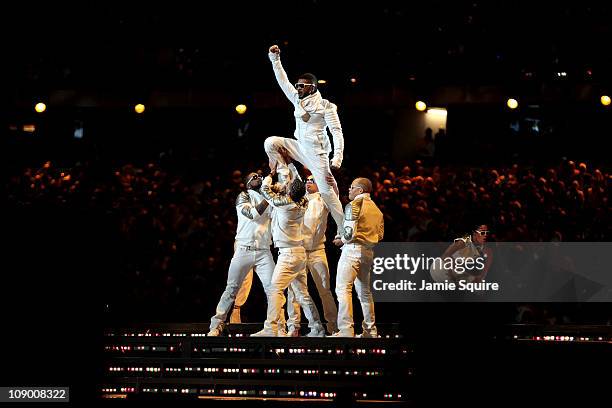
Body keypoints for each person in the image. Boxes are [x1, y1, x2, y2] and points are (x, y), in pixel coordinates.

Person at [264, 44, 345, 240]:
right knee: (270, 142)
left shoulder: (326, 107)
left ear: (313, 87)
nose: (298, 88)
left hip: (317, 154)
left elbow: (337, 132)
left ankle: (344, 230)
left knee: (327, 193)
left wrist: (337, 159)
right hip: (299, 146)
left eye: (302, 85)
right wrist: (275, 60)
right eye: (298, 85)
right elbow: (283, 82)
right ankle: (285, 177)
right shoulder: (297, 99)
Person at [251, 168, 325, 337]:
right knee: (302, 293)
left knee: (275, 289)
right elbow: (297, 188)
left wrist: (271, 174)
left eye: (289, 185)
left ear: (291, 191)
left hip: (288, 255)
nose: (286, 185)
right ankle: (317, 328)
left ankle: (271, 328)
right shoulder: (303, 202)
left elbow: (264, 189)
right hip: (298, 254)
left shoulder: (284, 204)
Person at [207, 172, 275, 336]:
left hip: (264, 251)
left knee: (274, 290)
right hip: (244, 249)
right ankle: (216, 325)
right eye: (254, 176)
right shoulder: (243, 196)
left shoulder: (270, 199)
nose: (258, 177)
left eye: (260, 175)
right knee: (231, 289)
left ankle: (275, 326)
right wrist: (270, 198)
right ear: (247, 183)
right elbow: (253, 214)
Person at [286, 175, 339, 336]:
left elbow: (335, 197)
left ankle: (333, 326)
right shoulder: (299, 200)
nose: (308, 182)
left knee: (324, 289)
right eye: (307, 180)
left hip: (317, 251)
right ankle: (293, 326)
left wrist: (333, 184)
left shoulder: (323, 199)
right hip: (299, 251)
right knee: (294, 291)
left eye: (312, 180)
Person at [332, 177, 384, 338]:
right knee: (365, 293)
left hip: (352, 251)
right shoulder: (377, 209)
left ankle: (346, 329)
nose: (349, 189)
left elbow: (349, 234)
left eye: (352, 187)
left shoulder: (354, 205)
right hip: (368, 253)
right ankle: (370, 330)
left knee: (343, 289)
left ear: (360, 190)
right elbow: (380, 235)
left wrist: (340, 240)